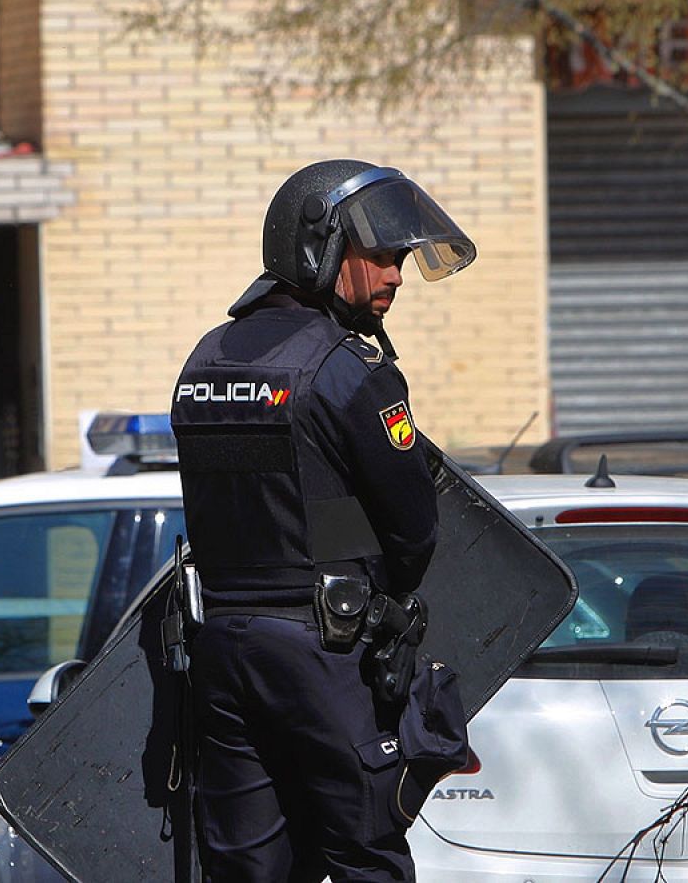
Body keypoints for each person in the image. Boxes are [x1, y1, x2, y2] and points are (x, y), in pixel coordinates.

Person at [168, 159, 476, 881]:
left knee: (246, 867)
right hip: (321, 654)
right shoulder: (347, 370)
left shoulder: (205, 358)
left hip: (223, 651)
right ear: (322, 248)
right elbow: (411, 527)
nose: (396, 275)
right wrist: (374, 600)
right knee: (365, 850)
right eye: (383, 257)